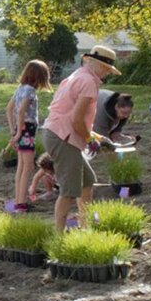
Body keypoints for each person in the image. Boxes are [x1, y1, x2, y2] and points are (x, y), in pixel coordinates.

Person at [38, 44, 122, 230]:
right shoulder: (89, 83)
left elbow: (74, 119)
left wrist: (99, 138)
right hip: (63, 137)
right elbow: (76, 121)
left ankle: (85, 226)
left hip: (56, 132)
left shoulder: (75, 76)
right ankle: (58, 236)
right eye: (107, 69)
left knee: (87, 181)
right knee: (69, 190)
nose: (107, 73)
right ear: (97, 65)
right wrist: (91, 140)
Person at [5, 60, 51, 213]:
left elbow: (9, 108)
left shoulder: (20, 88)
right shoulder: (30, 90)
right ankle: (21, 204)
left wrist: (14, 130)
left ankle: (19, 200)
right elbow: (20, 111)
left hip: (21, 129)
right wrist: (18, 133)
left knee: (21, 167)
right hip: (27, 130)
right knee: (28, 167)